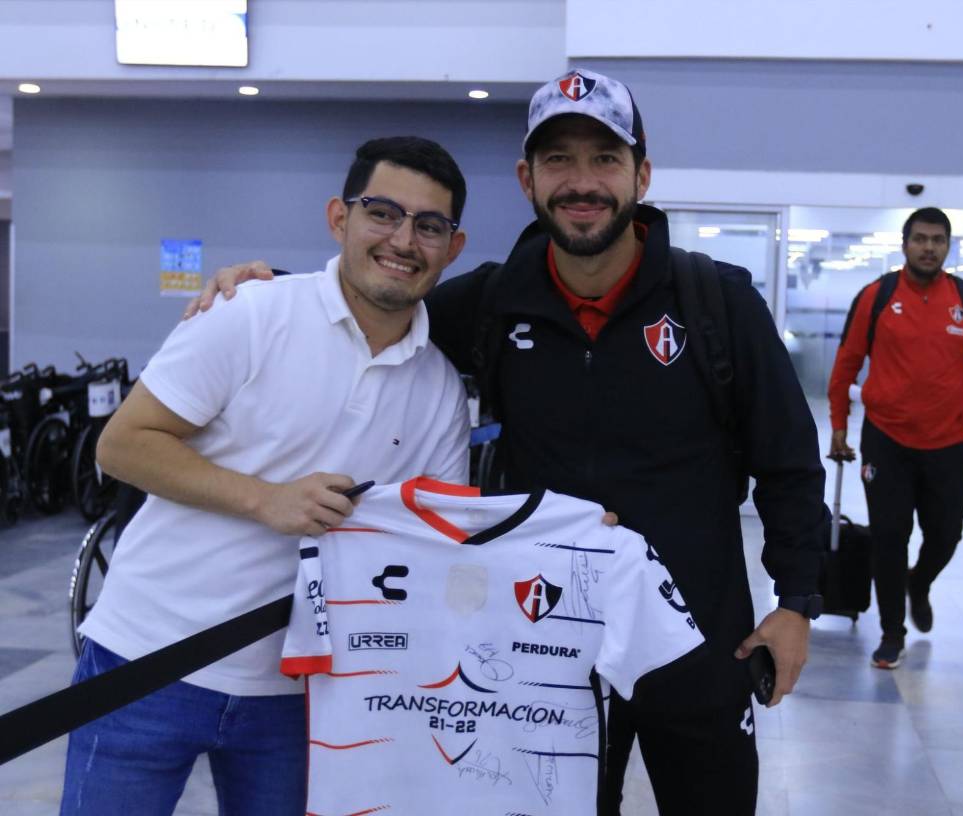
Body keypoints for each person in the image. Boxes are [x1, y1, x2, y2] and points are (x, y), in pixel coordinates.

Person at [190, 68, 829, 816]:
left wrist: (797, 602)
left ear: (641, 175)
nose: (581, 182)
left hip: (696, 630)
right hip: (538, 646)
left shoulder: (715, 301)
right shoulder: (494, 303)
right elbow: (381, 300)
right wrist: (274, 287)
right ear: (527, 179)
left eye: (604, 159)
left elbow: (788, 460)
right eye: (559, 160)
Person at [60, 137, 473, 815]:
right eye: (383, 213)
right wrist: (265, 500)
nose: (404, 239)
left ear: (452, 249)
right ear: (339, 218)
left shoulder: (441, 391)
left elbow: (436, 545)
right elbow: (123, 445)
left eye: (430, 225)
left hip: (304, 695)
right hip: (147, 659)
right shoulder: (252, 312)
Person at [828, 207, 963, 670]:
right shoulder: (877, 296)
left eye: (938, 240)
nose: (929, 247)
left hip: (948, 443)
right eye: (921, 239)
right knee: (890, 536)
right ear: (904, 243)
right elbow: (847, 360)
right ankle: (892, 631)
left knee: (947, 533)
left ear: (947, 247)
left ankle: (920, 582)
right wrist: (838, 424)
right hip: (886, 440)